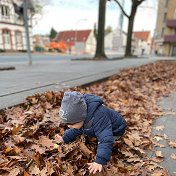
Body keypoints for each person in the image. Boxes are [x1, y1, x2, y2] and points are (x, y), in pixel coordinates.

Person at [55, 91, 126, 174]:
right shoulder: (81, 118)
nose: (68, 126)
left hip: (116, 129)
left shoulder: (99, 117)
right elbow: (75, 130)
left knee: (103, 138)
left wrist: (100, 161)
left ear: (81, 117)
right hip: (94, 125)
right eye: (67, 124)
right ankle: (92, 132)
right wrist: (64, 138)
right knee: (81, 128)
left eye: (71, 123)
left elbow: (105, 139)